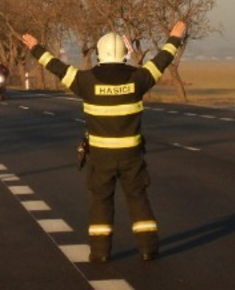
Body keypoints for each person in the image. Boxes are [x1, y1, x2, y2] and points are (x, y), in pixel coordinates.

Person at [21, 20, 189, 263]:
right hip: (131, 155)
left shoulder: (85, 81)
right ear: (124, 55)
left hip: (100, 156)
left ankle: (100, 253)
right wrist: (174, 38)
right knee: (138, 199)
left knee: (101, 201)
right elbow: (162, 60)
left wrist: (36, 48)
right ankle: (148, 249)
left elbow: (56, 67)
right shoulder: (139, 78)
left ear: (99, 54)